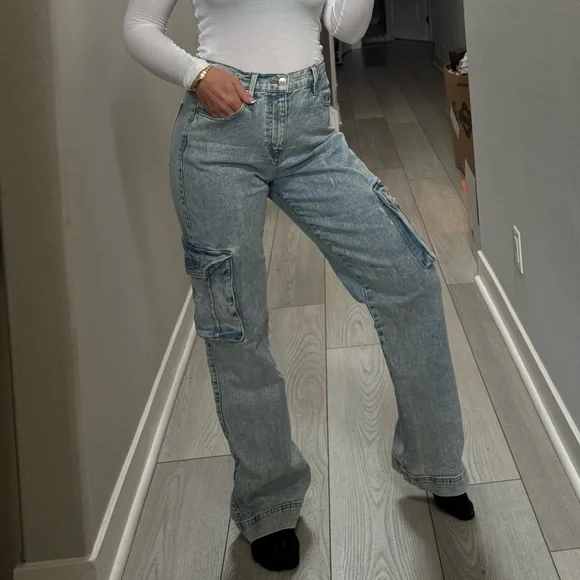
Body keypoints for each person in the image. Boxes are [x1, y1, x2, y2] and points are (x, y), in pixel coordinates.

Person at [124, 0, 475, 572]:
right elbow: (138, 27)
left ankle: (435, 461)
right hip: (216, 140)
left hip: (310, 128)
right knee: (237, 325)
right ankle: (268, 502)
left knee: (408, 274)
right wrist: (197, 74)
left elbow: (346, 28)